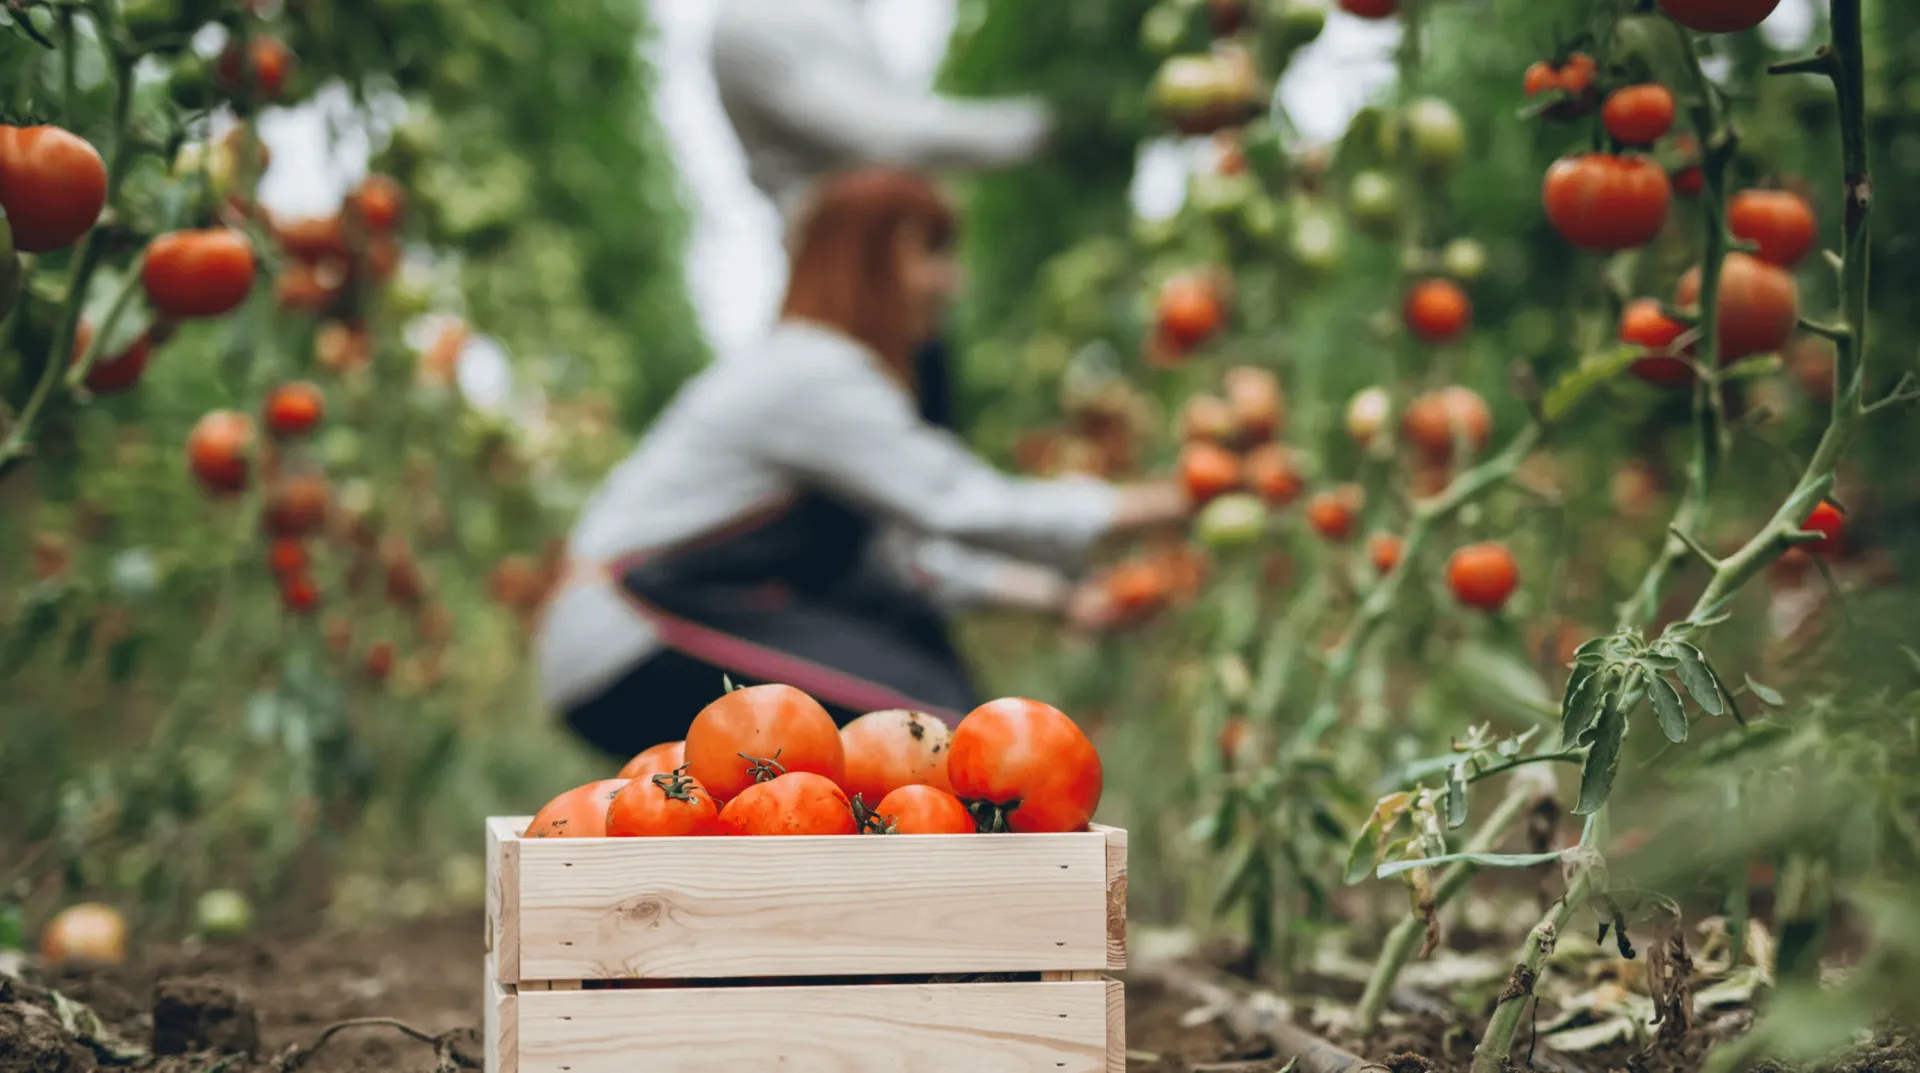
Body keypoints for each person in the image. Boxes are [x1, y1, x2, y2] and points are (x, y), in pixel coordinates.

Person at [537, 169, 1189, 759]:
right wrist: (1160, 500)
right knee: (943, 742)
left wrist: (1060, 596)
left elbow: (896, 560)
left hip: (666, 620)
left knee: (932, 693)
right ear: (870, 261)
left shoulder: (811, 370)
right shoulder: (813, 372)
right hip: (634, 633)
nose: (952, 281)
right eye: (931, 253)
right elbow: (959, 502)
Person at [709, 0, 1054, 430]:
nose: (955, 283)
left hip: (878, 294)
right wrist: (1044, 127)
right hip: (846, 291)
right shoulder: (759, 22)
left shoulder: (835, 20)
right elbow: (880, 135)